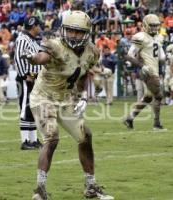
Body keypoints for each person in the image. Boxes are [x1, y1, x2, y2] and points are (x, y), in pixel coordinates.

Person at [21, 11, 114, 200]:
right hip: (44, 98)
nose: (73, 35)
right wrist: (32, 57)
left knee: (85, 136)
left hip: (65, 99)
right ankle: (39, 189)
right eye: (70, 30)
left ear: (86, 33)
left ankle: (91, 186)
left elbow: (84, 75)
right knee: (52, 137)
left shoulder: (92, 52)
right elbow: (42, 58)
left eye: (78, 32)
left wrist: (82, 97)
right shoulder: (54, 45)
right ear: (63, 30)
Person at [123, 14, 166, 130]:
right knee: (159, 96)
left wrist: (163, 58)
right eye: (151, 26)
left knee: (148, 97)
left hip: (155, 70)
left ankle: (129, 118)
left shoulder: (158, 37)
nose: (154, 28)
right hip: (147, 70)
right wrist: (142, 66)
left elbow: (161, 57)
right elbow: (129, 56)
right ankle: (156, 124)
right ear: (145, 25)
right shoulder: (140, 37)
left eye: (156, 26)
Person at [14, 16, 43, 150]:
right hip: (27, 78)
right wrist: (25, 75)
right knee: (26, 107)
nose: (40, 28)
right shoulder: (23, 39)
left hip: (34, 78)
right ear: (33, 26)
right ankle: (25, 140)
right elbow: (19, 58)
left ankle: (33, 139)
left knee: (33, 109)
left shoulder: (31, 40)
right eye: (38, 25)